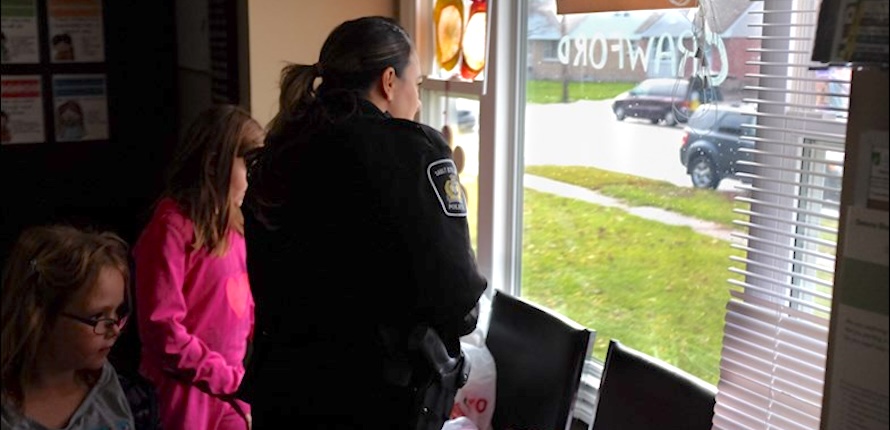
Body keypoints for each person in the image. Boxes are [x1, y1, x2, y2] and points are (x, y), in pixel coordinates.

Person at [240, 16, 488, 429]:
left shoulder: (280, 152)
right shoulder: (413, 154)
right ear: (389, 81)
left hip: (283, 395)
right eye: (418, 84)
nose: (419, 100)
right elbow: (458, 300)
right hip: (368, 402)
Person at [133, 104, 263, 430]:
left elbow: (244, 310)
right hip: (181, 395)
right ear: (214, 162)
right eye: (248, 164)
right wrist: (226, 379)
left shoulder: (236, 226)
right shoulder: (170, 228)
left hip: (232, 390)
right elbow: (163, 332)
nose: (254, 177)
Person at [1, 225, 135, 429]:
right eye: (98, 316)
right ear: (40, 316)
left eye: (118, 313)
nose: (115, 329)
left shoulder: (129, 397)